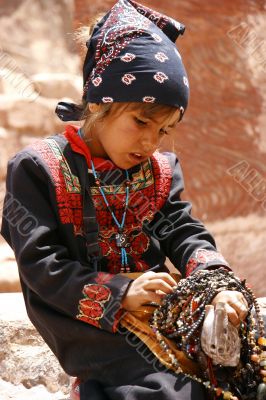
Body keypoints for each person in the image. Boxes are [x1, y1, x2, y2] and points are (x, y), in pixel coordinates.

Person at [0, 1, 253, 399]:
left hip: (159, 308)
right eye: (141, 122)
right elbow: (41, 266)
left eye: (164, 130)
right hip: (86, 321)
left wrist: (216, 283)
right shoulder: (37, 169)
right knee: (167, 389)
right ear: (101, 104)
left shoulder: (158, 170)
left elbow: (184, 233)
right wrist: (120, 294)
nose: (151, 142)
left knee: (245, 369)